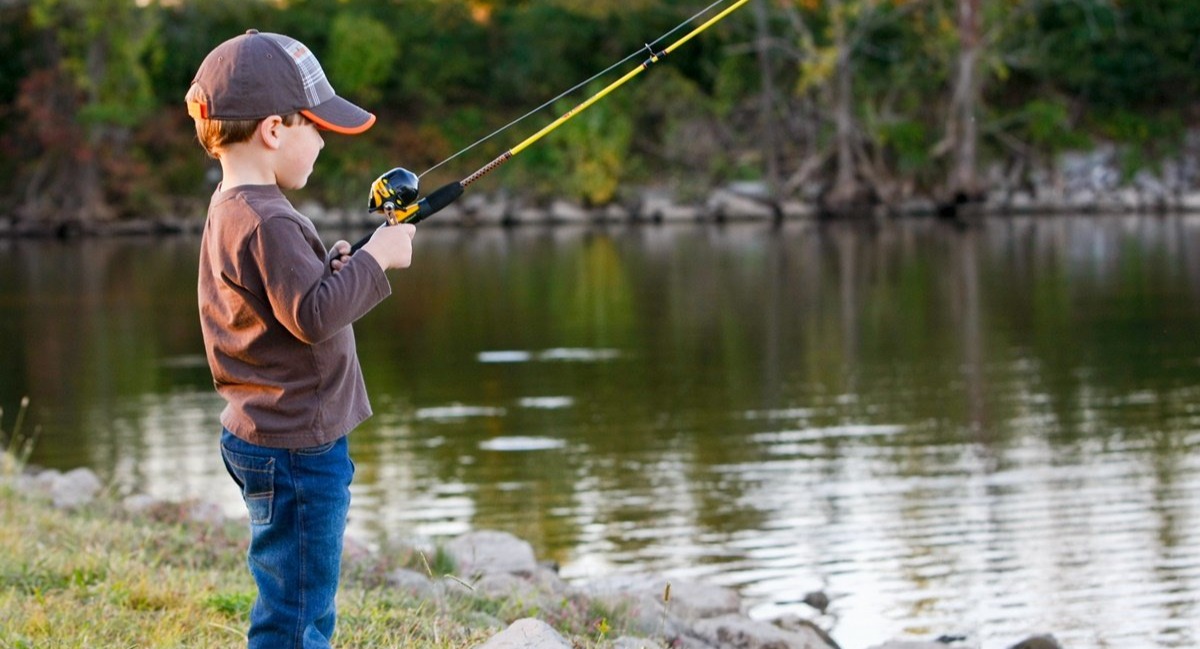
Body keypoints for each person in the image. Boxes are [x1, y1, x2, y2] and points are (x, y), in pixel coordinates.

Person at [185, 29, 415, 649]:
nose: (321, 142)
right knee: (298, 610)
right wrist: (377, 260)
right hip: (298, 447)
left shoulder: (232, 206)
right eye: (316, 128)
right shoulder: (270, 218)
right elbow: (313, 318)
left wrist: (333, 270)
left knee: (291, 594)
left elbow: (283, 305)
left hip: (262, 431)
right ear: (273, 130)